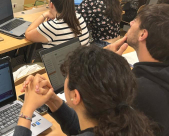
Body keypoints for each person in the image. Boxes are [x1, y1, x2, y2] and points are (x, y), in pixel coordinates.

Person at [14, 46, 158, 136]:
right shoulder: (123, 121)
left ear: (75, 96)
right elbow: (82, 128)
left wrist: (27, 109)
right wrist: (53, 100)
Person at [106, 4, 169, 136]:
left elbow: (101, 121)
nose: (131, 23)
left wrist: (108, 65)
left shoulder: (137, 90)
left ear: (143, 34)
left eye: (136, 21)